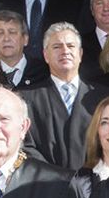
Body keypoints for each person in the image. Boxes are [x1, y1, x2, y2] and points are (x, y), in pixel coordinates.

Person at [20, 22, 95, 171]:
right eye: (57, 47)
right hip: (44, 181)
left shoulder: (102, 99)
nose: (65, 51)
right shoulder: (25, 99)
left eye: (70, 46)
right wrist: (53, 176)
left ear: (80, 54)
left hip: (94, 181)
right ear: (45, 55)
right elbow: (24, 144)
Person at [0, 12, 45, 90]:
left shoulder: (43, 73)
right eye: (0, 33)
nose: (6, 39)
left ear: (25, 39)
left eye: (12, 32)